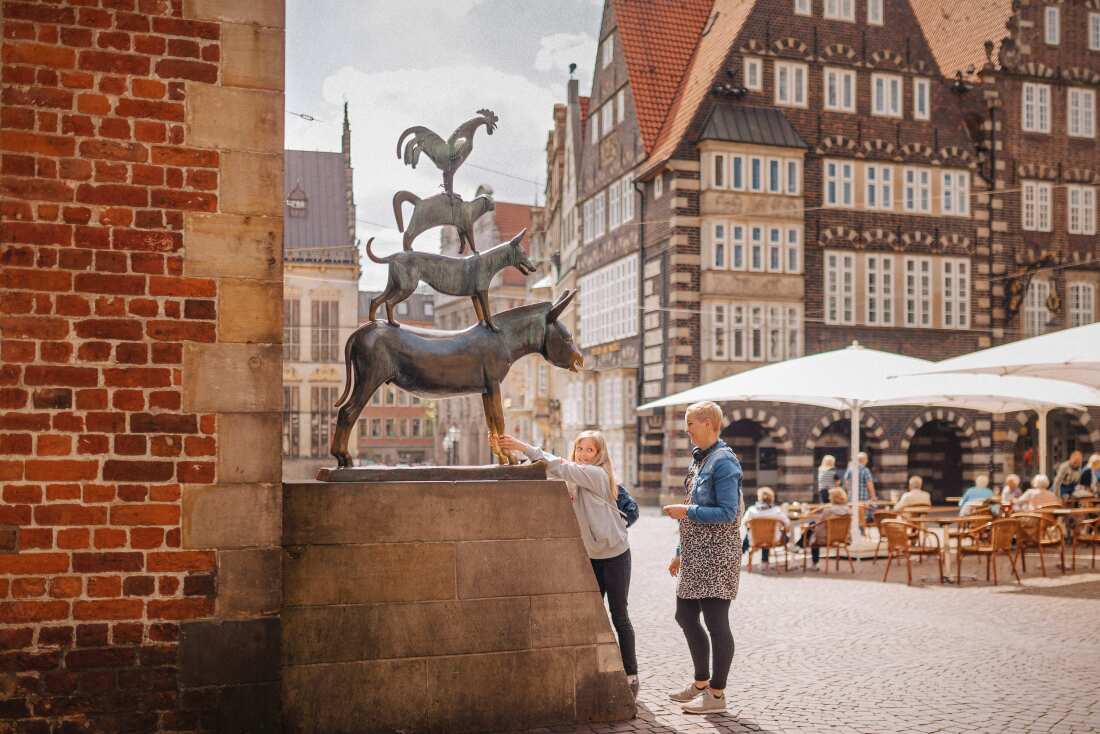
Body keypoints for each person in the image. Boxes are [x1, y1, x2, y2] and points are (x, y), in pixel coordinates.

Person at [497, 430, 638, 697]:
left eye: (590, 450)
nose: (584, 455)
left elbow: (558, 464)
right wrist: (513, 459)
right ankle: (602, 670)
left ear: (600, 455)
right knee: (594, 617)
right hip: (591, 556)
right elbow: (546, 472)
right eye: (580, 449)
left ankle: (631, 676)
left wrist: (520, 444)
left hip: (616, 555)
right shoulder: (573, 479)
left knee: (620, 616)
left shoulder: (597, 475)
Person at [662, 401, 742, 715]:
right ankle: (700, 683)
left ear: (708, 423)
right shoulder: (701, 459)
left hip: (718, 555)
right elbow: (692, 502)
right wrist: (679, 553)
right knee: (685, 616)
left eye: (691, 424)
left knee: (716, 622)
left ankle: (717, 695)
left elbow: (727, 512)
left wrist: (686, 512)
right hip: (695, 555)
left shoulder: (724, 462)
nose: (687, 430)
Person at [795, 487, 851, 569]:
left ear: (833, 498)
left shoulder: (828, 511)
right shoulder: (848, 511)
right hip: (843, 538)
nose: (828, 498)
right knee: (812, 527)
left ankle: (810, 558)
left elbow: (819, 528)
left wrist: (811, 529)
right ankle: (798, 546)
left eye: (830, 496)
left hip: (826, 538)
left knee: (812, 528)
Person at [740, 486, 790, 570]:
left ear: (759, 497)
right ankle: (765, 562)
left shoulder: (751, 510)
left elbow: (743, 522)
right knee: (779, 536)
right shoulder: (776, 511)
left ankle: (742, 553)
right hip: (773, 539)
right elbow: (787, 523)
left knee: (753, 534)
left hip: (755, 539)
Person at [843, 452, 877, 529]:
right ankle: (862, 529)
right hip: (863, 497)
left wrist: (849, 491)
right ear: (865, 460)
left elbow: (846, 482)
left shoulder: (850, 469)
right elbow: (869, 484)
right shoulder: (865, 470)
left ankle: (855, 528)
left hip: (851, 497)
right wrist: (873, 495)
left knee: (853, 514)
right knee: (864, 514)